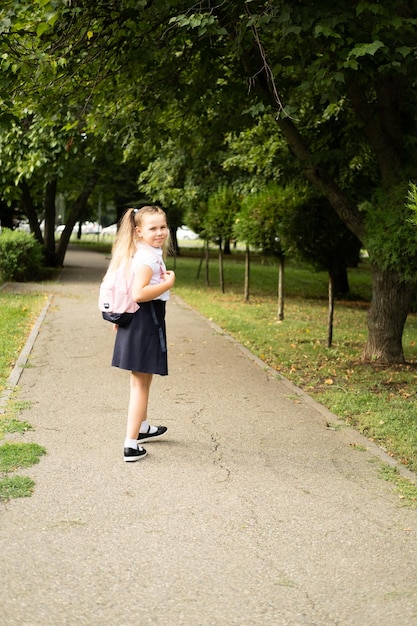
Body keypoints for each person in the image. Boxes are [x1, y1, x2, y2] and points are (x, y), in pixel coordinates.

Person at [104, 205, 176, 462]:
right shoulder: (146, 259)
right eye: (153, 228)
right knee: (139, 384)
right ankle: (131, 445)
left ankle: (141, 427)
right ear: (138, 231)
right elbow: (138, 293)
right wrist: (168, 283)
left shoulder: (146, 251)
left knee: (144, 380)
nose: (160, 232)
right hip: (144, 321)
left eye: (163, 227)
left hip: (140, 320)